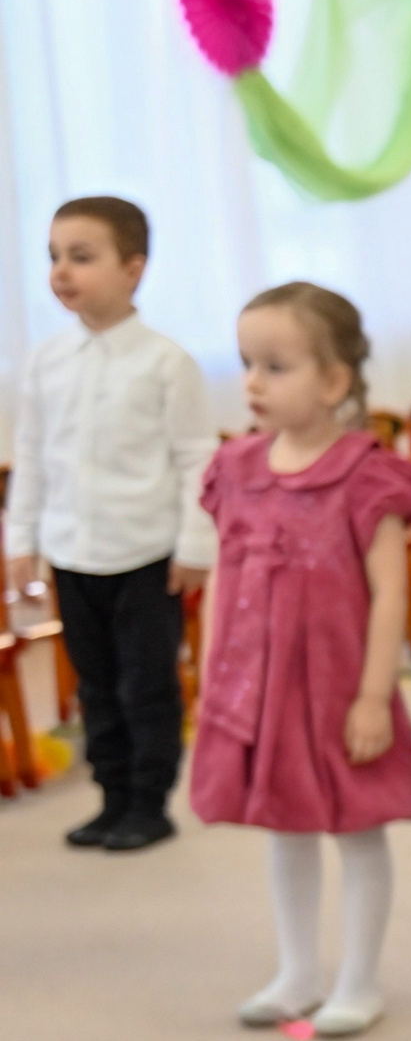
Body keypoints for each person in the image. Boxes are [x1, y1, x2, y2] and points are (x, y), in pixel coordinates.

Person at [192, 283, 411, 1038]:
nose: (253, 382)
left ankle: (359, 979)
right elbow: (223, 576)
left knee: (357, 827)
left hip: (337, 688)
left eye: (275, 366)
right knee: (285, 824)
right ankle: (297, 972)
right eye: (246, 364)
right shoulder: (235, 468)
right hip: (260, 687)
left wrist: (373, 695)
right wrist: (212, 674)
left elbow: (389, 595)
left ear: (333, 381)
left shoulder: (365, 475)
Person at [3, 196, 216, 852]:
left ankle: (148, 803)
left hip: (147, 555)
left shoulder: (165, 362)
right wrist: (21, 540)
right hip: (72, 554)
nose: (62, 271)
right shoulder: (45, 361)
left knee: (146, 684)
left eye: (82, 256)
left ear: (132, 268)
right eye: (54, 256)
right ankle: (112, 795)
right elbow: (32, 455)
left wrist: (194, 546)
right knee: (95, 686)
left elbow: (196, 461)